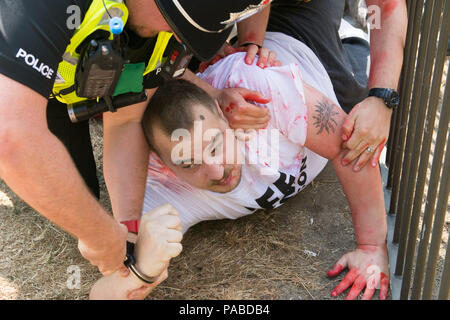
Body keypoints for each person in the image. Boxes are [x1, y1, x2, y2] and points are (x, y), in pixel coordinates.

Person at [0, 0, 274, 283]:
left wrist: (127, 231)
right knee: (67, 201)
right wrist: (101, 237)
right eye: (179, 25)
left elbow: (125, 120)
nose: (180, 38)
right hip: (17, 73)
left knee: (81, 196)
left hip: (63, 85)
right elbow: (12, 137)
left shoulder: (161, 31)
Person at [132, 30, 390, 300]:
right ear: (163, 166)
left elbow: (349, 145)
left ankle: (350, 33)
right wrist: (143, 268)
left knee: (354, 83)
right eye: (189, 164)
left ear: (223, 112)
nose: (217, 171)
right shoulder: (157, 185)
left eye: (216, 145)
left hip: (306, 48)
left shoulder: (256, 93)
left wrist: (372, 246)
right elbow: (128, 271)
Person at [219, 0, 407, 172]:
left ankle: (349, 35)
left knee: (348, 101)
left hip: (303, 11)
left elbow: (386, 7)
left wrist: (381, 98)